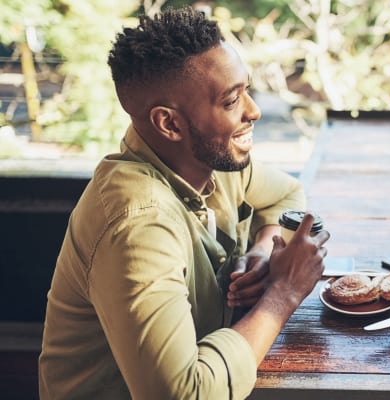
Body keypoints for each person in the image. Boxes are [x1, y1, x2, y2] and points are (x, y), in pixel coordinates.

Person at [38, 7, 329, 399]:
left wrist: (261, 251)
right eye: (230, 101)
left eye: (246, 90)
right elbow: (183, 394)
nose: (253, 111)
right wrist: (283, 294)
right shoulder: (137, 225)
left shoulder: (211, 159)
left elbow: (285, 195)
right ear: (170, 124)